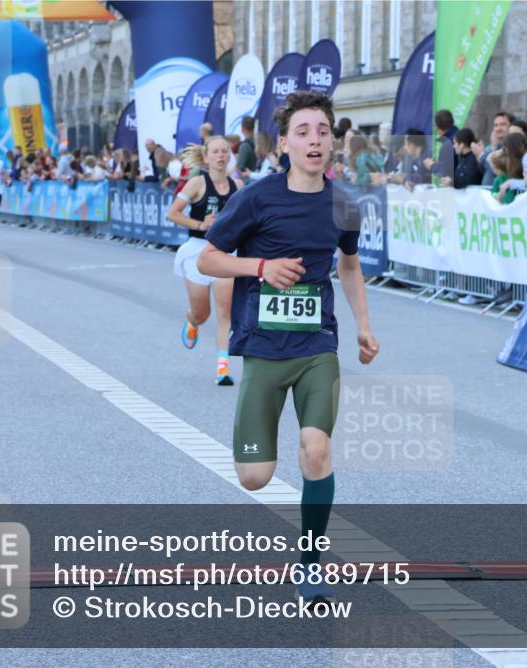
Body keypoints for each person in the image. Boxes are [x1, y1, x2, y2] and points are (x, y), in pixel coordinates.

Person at [197, 91, 378, 607]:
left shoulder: (343, 203)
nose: (315, 141)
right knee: (254, 477)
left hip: (318, 346)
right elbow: (208, 260)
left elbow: (348, 265)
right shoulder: (256, 198)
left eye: (322, 131)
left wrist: (363, 325)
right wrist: (261, 268)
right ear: (283, 143)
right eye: (303, 132)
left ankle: (311, 564)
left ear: (332, 140)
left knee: (316, 449)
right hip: (262, 348)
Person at [167, 136, 244, 386]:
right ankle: (192, 322)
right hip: (198, 251)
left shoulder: (238, 186)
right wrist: (201, 224)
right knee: (202, 312)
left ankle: (222, 368)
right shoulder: (197, 183)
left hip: (224, 253)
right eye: (216, 152)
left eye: (225, 152)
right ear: (207, 157)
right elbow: (173, 214)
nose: (221, 156)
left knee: (225, 312)